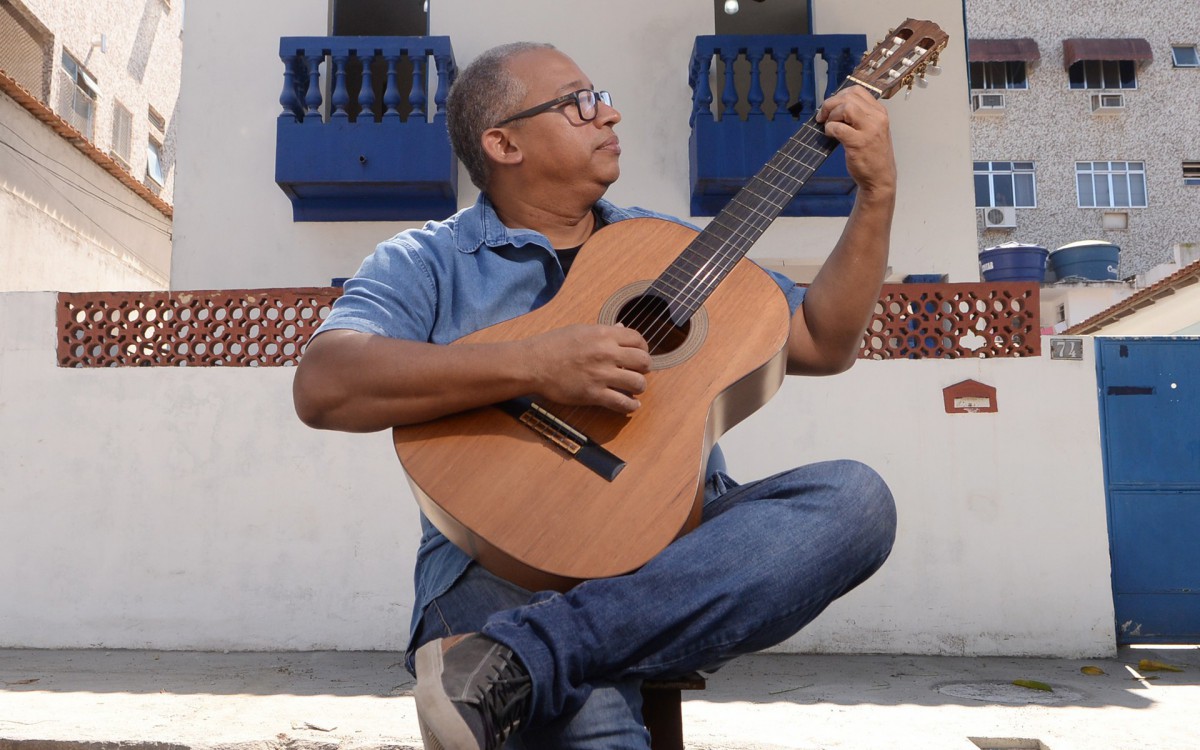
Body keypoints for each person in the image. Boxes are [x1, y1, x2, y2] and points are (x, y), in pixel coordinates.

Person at [293, 41, 898, 750]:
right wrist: (531, 364)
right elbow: (325, 383)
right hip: (496, 565)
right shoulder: (426, 259)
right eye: (579, 102)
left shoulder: (665, 247)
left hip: (675, 557)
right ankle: (549, 650)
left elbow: (824, 343)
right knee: (597, 725)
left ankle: (526, 657)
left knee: (857, 499)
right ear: (504, 142)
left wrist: (877, 196)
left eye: (601, 96)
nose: (608, 112)